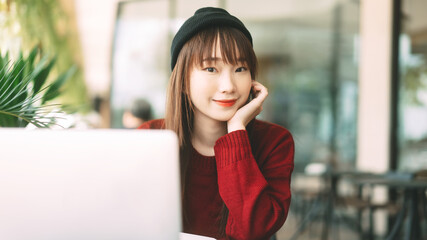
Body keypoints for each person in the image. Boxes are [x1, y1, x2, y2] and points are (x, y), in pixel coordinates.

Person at [139, 7, 294, 240]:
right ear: (182, 80)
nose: (228, 86)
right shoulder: (151, 138)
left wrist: (236, 132)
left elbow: (254, 230)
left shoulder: (275, 143)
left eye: (240, 69)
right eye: (211, 68)